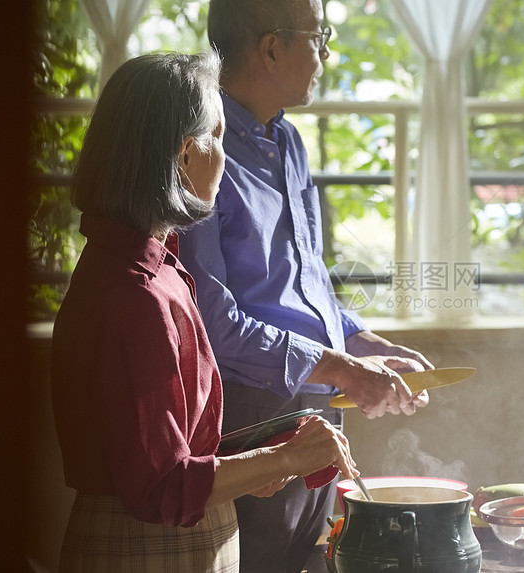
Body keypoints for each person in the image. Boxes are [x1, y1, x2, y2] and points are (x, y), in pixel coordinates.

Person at [50, 51, 359, 573]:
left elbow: (172, 451)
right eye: (217, 138)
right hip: (146, 550)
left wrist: (258, 461)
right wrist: (282, 459)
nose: (225, 158)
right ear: (183, 156)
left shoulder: (151, 267)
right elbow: (162, 486)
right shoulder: (134, 296)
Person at [178, 0, 434, 571]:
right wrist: (341, 366)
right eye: (320, 37)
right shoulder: (200, 152)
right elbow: (213, 327)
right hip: (252, 417)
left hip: (323, 403)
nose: (325, 55)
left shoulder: (289, 142)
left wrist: (363, 344)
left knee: (312, 562)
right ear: (271, 48)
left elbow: (309, 281)